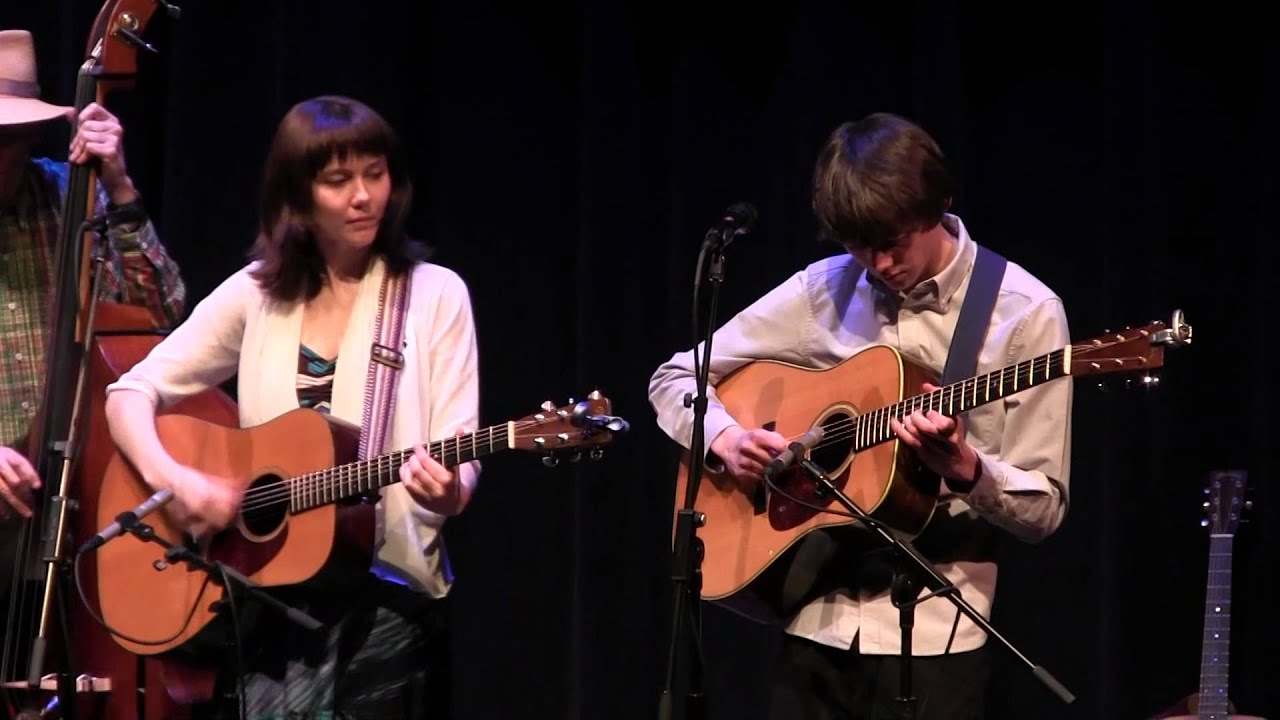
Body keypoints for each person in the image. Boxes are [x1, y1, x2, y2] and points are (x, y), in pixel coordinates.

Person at [648, 112, 1072, 719]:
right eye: (858, 246)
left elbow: (1044, 508)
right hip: (815, 617)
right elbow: (675, 377)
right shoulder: (825, 289)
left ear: (939, 204)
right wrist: (727, 438)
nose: (879, 263)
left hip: (938, 633)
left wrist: (965, 467)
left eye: (893, 241)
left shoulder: (1025, 314)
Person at [102, 94, 479, 719]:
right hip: (265, 604)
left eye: (376, 174)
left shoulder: (434, 295)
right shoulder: (256, 294)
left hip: (387, 606)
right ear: (298, 196)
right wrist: (178, 481)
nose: (364, 196)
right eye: (338, 181)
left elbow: (460, 456)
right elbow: (129, 394)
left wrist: (446, 492)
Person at [0, 27, 184, 557]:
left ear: (30, 137)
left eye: (6, 141)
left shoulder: (74, 196)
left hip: (78, 496)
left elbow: (162, 315)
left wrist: (119, 187)